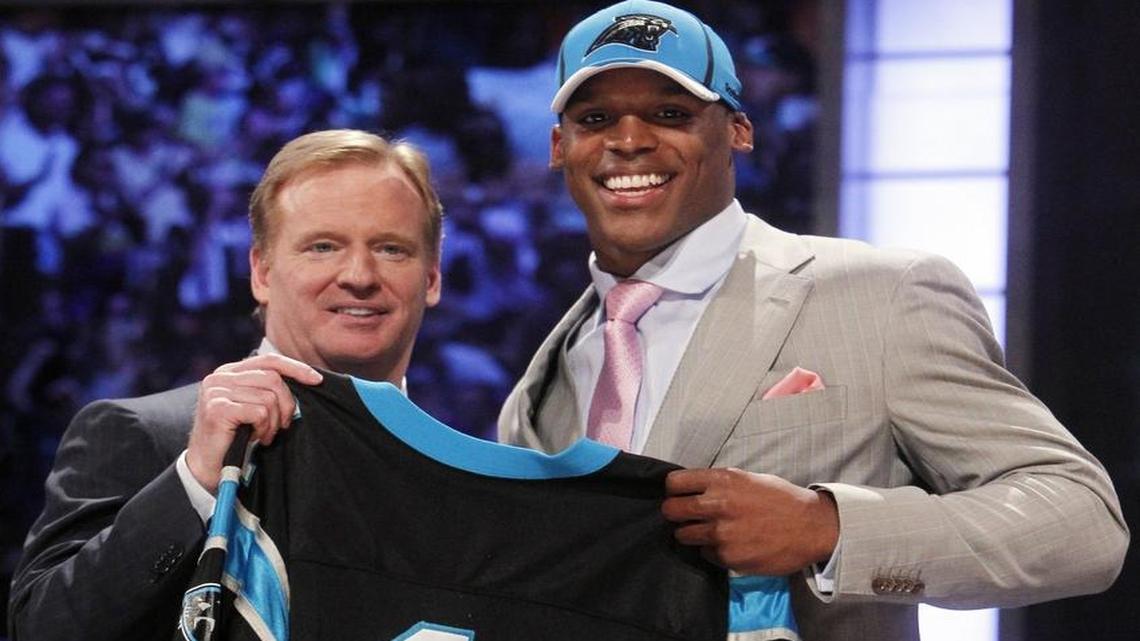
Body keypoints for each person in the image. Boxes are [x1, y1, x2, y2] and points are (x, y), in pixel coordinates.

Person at [497, 2, 1128, 639]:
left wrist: (828, 528)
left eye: (671, 114)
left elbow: (1081, 522)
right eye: (595, 118)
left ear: (739, 130)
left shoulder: (880, 295)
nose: (629, 141)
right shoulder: (546, 379)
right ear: (560, 147)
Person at [8, 129, 443, 641]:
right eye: (322, 246)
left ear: (432, 277)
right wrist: (193, 483)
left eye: (391, 249)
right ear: (261, 271)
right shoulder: (146, 435)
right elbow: (43, 630)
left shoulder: (458, 480)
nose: (359, 275)